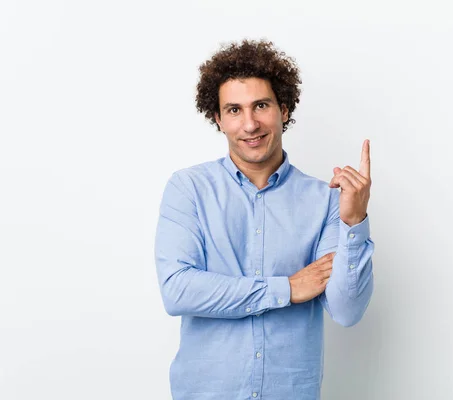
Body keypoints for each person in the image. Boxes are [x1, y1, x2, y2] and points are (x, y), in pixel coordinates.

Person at [154, 39, 374, 400]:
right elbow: (178, 290)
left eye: (261, 106)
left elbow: (347, 311)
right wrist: (286, 288)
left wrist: (353, 221)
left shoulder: (326, 201)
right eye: (234, 110)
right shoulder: (189, 189)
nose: (250, 123)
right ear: (218, 119)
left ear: (284, 109)